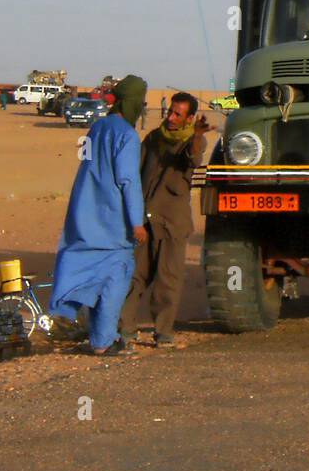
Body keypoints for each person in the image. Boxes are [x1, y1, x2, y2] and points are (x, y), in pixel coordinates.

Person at [49, 74, 150, 356]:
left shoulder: (97, 128)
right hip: (114, 223)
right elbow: (128, 181)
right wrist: (136, 222)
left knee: (93, 273)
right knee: (115, 278)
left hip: (85, 216)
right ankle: (104, 341)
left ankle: (100, 336)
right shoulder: (127, 136)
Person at [120, 92, 212, 348]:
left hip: (172, 222)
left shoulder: (192, 142)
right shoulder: (153, 139)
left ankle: (163, 333)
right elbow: (136, 173)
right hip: (144, 221)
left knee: (167, 280)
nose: (171, 117)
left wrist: (197, 135)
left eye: (177, 114)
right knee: (135, 277)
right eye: (170, 112)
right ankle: (125, 329)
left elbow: (193, 158)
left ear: (190, 118)